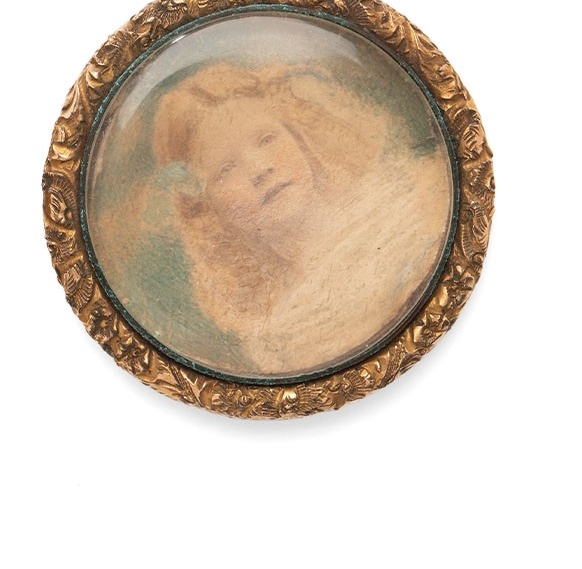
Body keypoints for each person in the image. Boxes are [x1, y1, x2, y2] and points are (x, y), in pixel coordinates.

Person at [88, 60, 453, 380]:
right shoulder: (272, 339)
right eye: (226, 170)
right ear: (207, 209)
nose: (260, 169)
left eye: (266, 139)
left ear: (300, 136)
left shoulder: (407, 205)